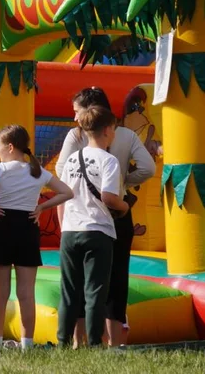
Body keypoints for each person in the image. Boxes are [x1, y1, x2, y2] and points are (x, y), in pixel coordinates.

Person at [57, 87, 155, 346]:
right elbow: (148, 168)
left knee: (77, 281)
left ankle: (77, 340)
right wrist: (123, 184)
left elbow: (61, 172)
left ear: (92, 113)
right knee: (115, 278)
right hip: (114, 212)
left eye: (77, 112)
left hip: (79, 215)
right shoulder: (126, 135)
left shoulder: (76, 136)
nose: (75, 118)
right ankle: (114, 341)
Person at [0, 125, 73, 350]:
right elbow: (67, 192)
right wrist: (43, 207)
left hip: (2, 225)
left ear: (10, 147)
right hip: (27, 228)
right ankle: (27, 344)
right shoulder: (38, 172)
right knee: (26, 293)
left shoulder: (1, 169)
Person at [56, 105, 129, 348]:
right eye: (115, 129)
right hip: (97, 230)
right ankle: (95, 342)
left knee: (69, 290)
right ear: (108, 130)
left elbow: (62, 196)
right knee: (95, 290)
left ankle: (63, 341)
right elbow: (109, 197)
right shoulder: (109, 160)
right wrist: (125, 206)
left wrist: (63, 228)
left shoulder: (71, 160)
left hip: (70, 229)